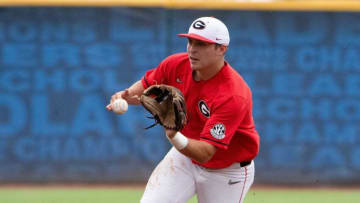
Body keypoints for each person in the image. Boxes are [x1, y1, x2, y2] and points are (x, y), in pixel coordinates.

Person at [106, 16, 260, 203]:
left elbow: (205, 153)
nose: (192, 49)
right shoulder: (176, 64)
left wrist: (174, 135)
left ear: (221, 48)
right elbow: (147, 87)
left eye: (201, 44)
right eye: (190, 41)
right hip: (185, 158)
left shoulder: (233, 94)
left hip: (227, 171)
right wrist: (125, 96)